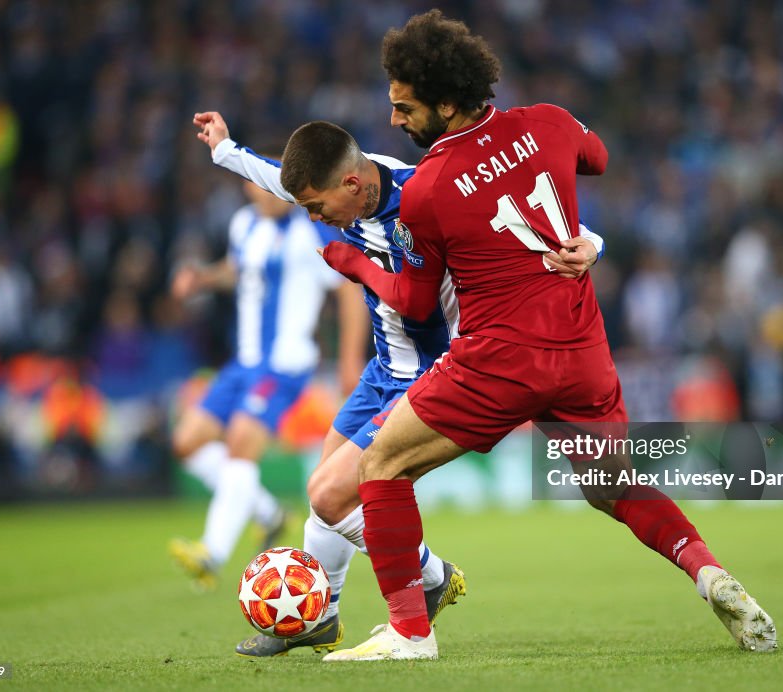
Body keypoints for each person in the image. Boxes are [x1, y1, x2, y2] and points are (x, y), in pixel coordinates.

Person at [317, 10, 777, 661]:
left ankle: (410, 633)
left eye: (404, 107)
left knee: (381, 466)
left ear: (446, 103)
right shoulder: (549, 122)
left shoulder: (427, 192)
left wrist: (358, 264)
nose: (394, 121)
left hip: (496, 362)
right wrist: (587, 238)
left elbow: (419, 309)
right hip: (583, 351)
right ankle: (708, 571)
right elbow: (598, 157)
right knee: (610, 484)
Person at [192, 110, 605, 656]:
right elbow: (279, 179)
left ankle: (430, 579)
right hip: (384, 367)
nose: (313, 218)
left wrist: (590, 239)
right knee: (326, 492)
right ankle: (326, 616)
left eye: (316, 207)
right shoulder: (345, 190)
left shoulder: (420, 199)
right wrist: (226, 149)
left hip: (433, 369)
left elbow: (509, 222)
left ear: (352, 185)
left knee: (333, 493)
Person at [168, 180, 366, 595]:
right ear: (247, 186)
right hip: (244, 362)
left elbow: (349, 287)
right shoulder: (244, 224)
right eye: (259, 186)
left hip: (284, 364)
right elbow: (238, 269)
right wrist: (203, 278)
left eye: (278, 187)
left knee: (241, 443)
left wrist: (350, 359)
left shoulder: (311, 230)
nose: (268, 195)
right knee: (187, 442)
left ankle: (211, 553)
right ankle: (269, 512)